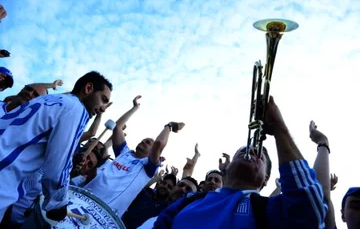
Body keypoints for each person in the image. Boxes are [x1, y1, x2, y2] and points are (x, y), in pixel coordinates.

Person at [153, 96, 328, 229]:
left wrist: (278, 128)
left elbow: (311, 210)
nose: (250, 151)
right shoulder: (190, 200)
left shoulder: (268, 208)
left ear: (265, 179)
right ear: (227, 169)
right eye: (242, 151)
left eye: (260, 156)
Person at [0, 71, 112, 223]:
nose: (103, 108)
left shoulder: (51, 99)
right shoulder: (76, 109)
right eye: (103, 100)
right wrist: (58, 203)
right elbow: (58, 165)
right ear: (88, 88)